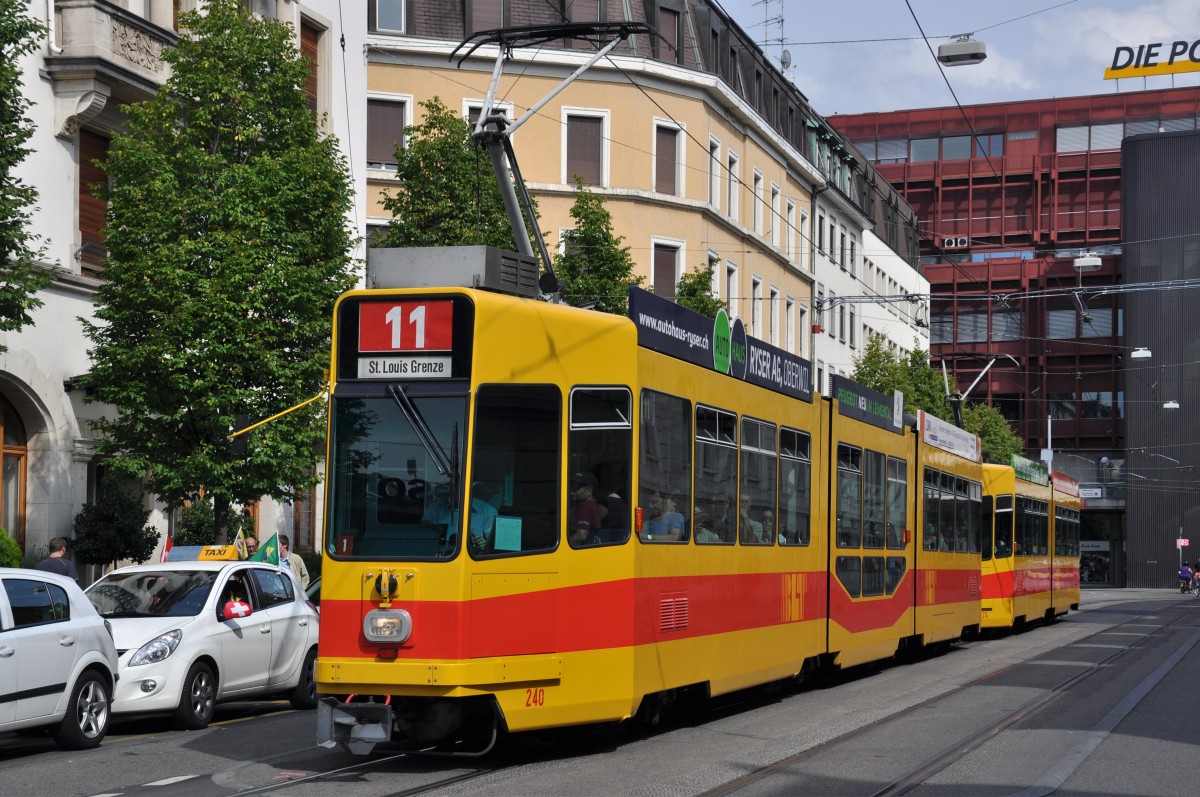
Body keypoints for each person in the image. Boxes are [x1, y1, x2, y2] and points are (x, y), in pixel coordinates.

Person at [569, 471, 604, 545]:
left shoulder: (585, 507)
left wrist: (563, 550)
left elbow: (581, 535)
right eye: (572, 485)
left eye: (577, 487)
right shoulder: (592, 505)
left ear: (589, 491)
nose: (572, 490)